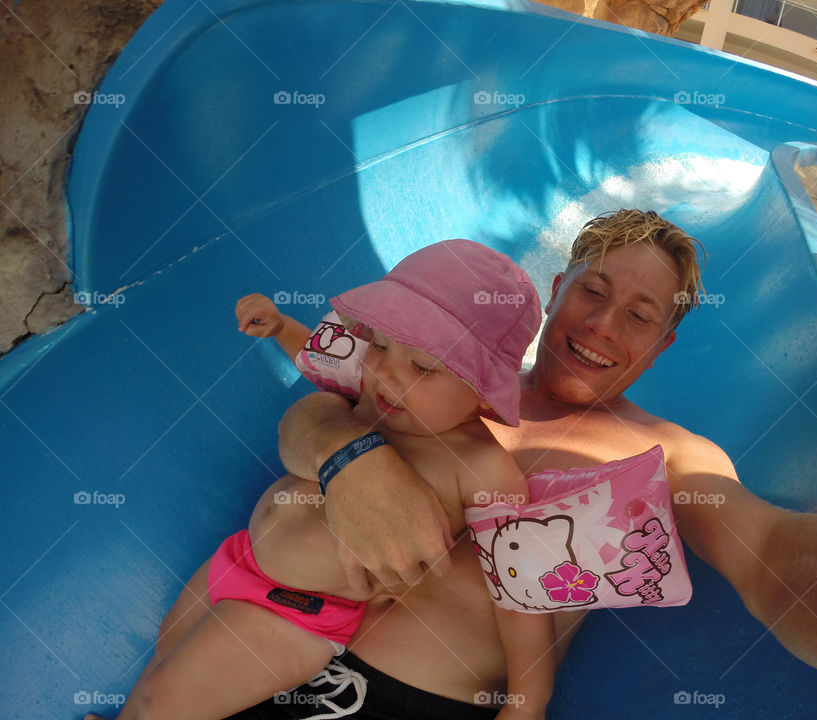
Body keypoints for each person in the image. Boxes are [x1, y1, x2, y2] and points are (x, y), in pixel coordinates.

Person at [239, 208, 817, 719]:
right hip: (268, 639)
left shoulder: (666, 456)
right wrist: (348, 459)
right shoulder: (441, 375)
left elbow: (772, 558)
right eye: (593, 291)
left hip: (412, 701)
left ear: (663, 344)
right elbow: (320, 405)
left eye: (639, 316)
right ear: (554, 292)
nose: (603, 326)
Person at [85, 239, 555, 720]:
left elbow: (515, 590)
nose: (388, 373)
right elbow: (322, 365)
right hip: (240, 557)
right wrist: (282, 327)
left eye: (423, 367)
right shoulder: (375, 395)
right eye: (382, 344)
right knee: (167, 650)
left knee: (167, 702)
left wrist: (527, 701)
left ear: (483, 393)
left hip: (295, 612)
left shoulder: (481, 468)